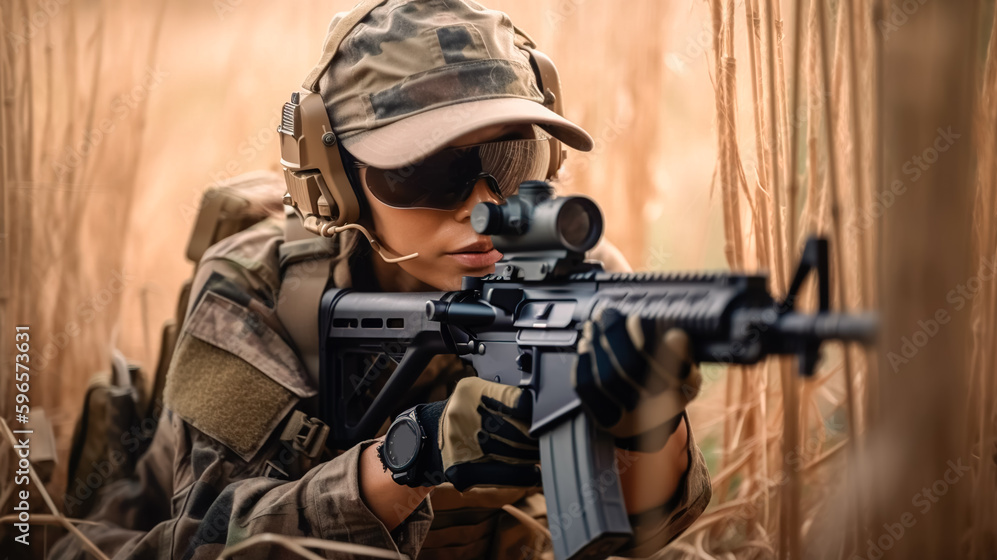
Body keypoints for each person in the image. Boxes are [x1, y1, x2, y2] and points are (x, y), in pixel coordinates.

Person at [50, 1, 711, 558]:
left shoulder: (578, 283)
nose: (482, 205)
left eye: (511, 160)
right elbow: (208, 539)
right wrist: (413, 456)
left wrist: (646, 427)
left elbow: (640, 528)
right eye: (425, 172)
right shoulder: (261, 291)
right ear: (336, 184)